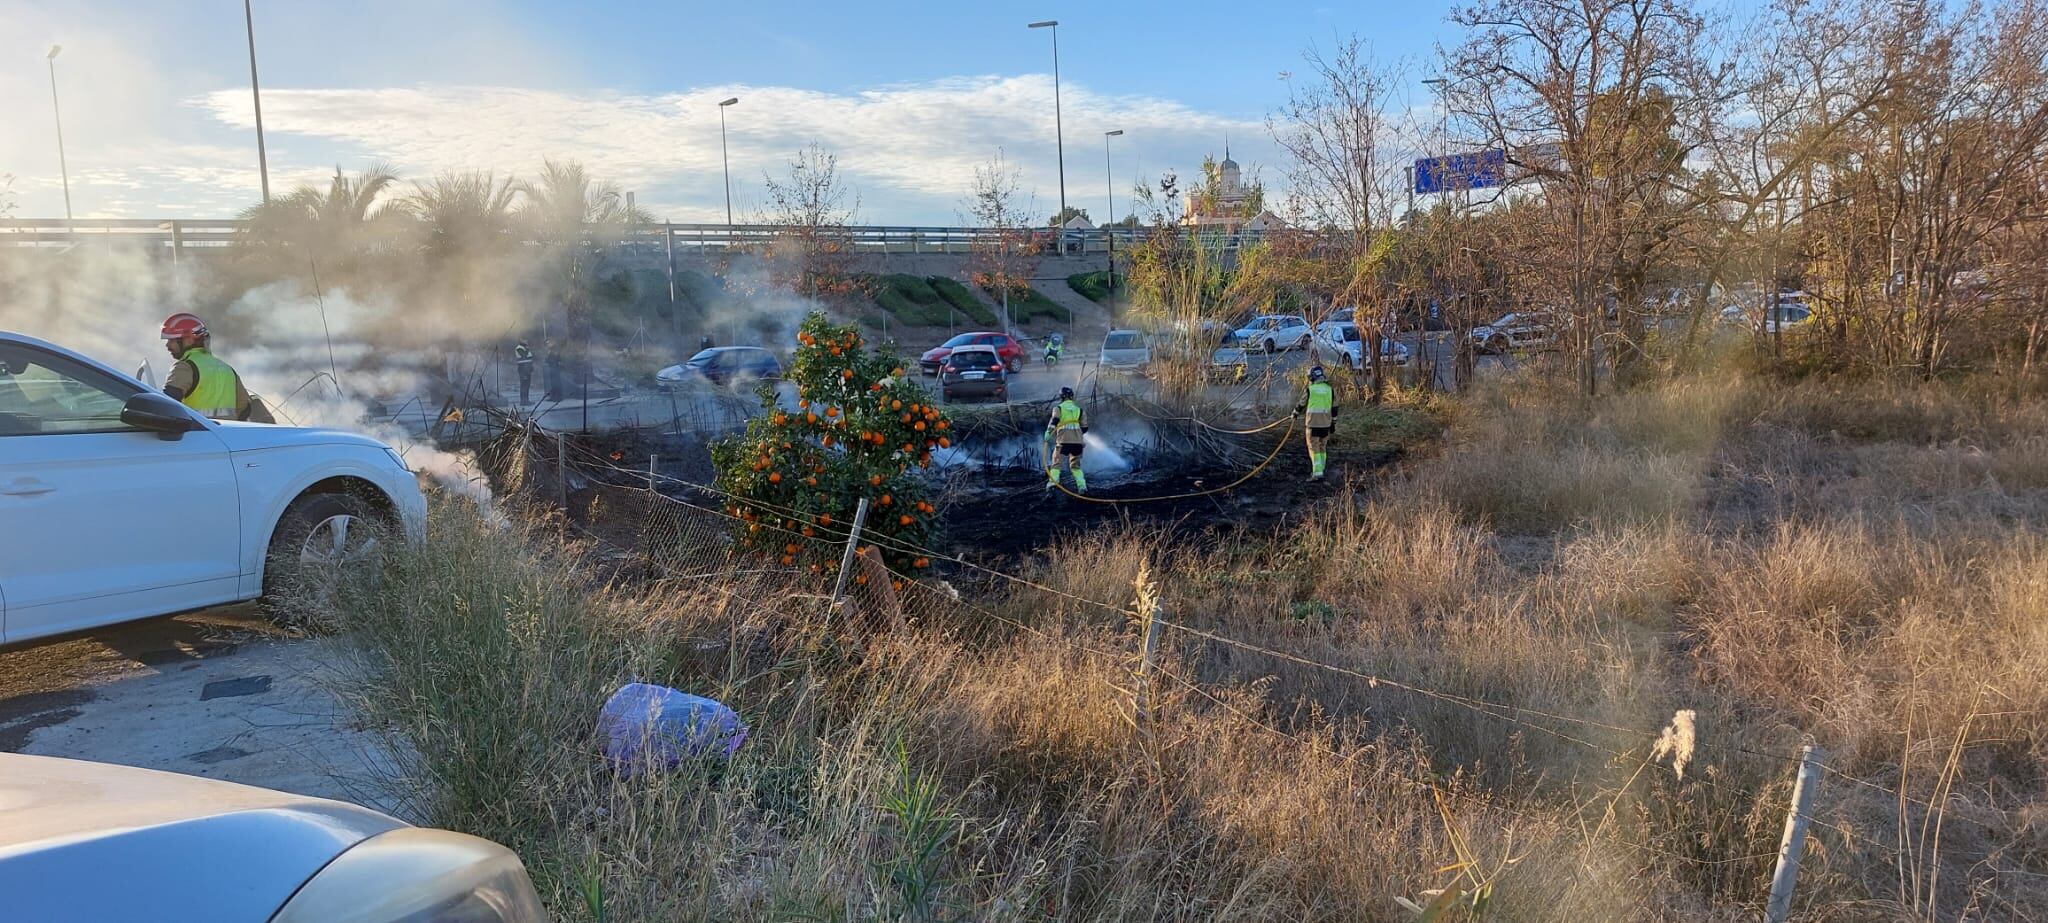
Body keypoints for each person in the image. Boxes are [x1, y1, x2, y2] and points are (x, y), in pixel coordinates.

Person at [160, 312, 255, 421]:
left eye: (171, 340)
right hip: (226, 435)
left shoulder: (185, 367)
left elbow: (166, 405)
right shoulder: (227, 369)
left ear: (188, 340)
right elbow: (244, 408)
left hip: (194, 435)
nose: (167, 345)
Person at [1296, 365, 1337, 481]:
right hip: (1326, 424)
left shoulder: (1310, 389)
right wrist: (1333, 423)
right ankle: (1321, 469)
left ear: (1312, 378)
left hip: (1312, 424)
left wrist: (1294, 413)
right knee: (1322, 447)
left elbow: (1301, 404)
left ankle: (1317, 473)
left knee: (1314, 448)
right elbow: (1334, 408)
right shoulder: (1330, 389)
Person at [1045, 385, 1088, 492]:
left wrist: (1048, 433)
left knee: (1056, 464)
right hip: (1078, 444)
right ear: (1072, 397)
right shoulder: (1080, 410)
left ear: (1061, 397)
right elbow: (1085, 428)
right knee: (1075, 467)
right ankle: (1082, 486)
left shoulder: (1058, 408)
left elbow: (1054, 422)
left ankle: (1052, 484)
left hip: (1063, 442)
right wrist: (1076, 435)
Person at [513, 339, 535, 404]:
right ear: (521, 340)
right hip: (523, 369)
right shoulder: (519, 348)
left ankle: (526, 400)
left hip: (527, 369)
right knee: (524, 385)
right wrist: (527, 349)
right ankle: (523, 401)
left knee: (527, 385)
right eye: (525, 340)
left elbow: (530, 357)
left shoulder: (524, 348)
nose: (527, 341)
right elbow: (524, 355)